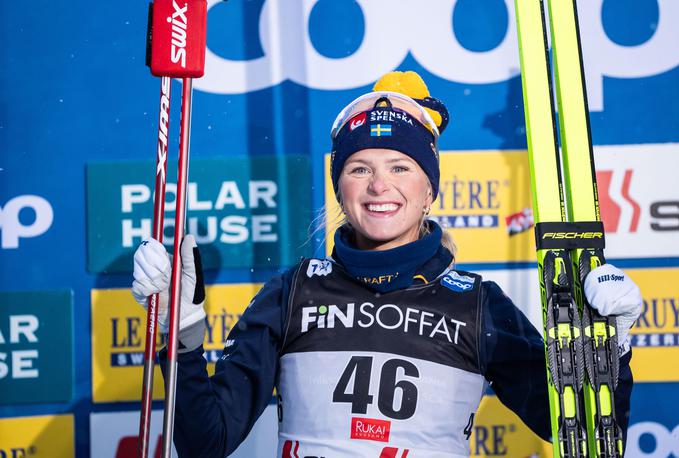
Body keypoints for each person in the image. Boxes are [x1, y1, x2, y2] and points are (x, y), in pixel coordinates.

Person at [131, 71, 642, 458]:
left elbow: (587, 434)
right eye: (360, 169)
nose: (380, 186)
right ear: (339, 188)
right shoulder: (294, 293)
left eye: (400, 167)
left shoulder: (477, 304)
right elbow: (206, 441)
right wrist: (181, 334)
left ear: (429, 191)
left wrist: (609, 349)